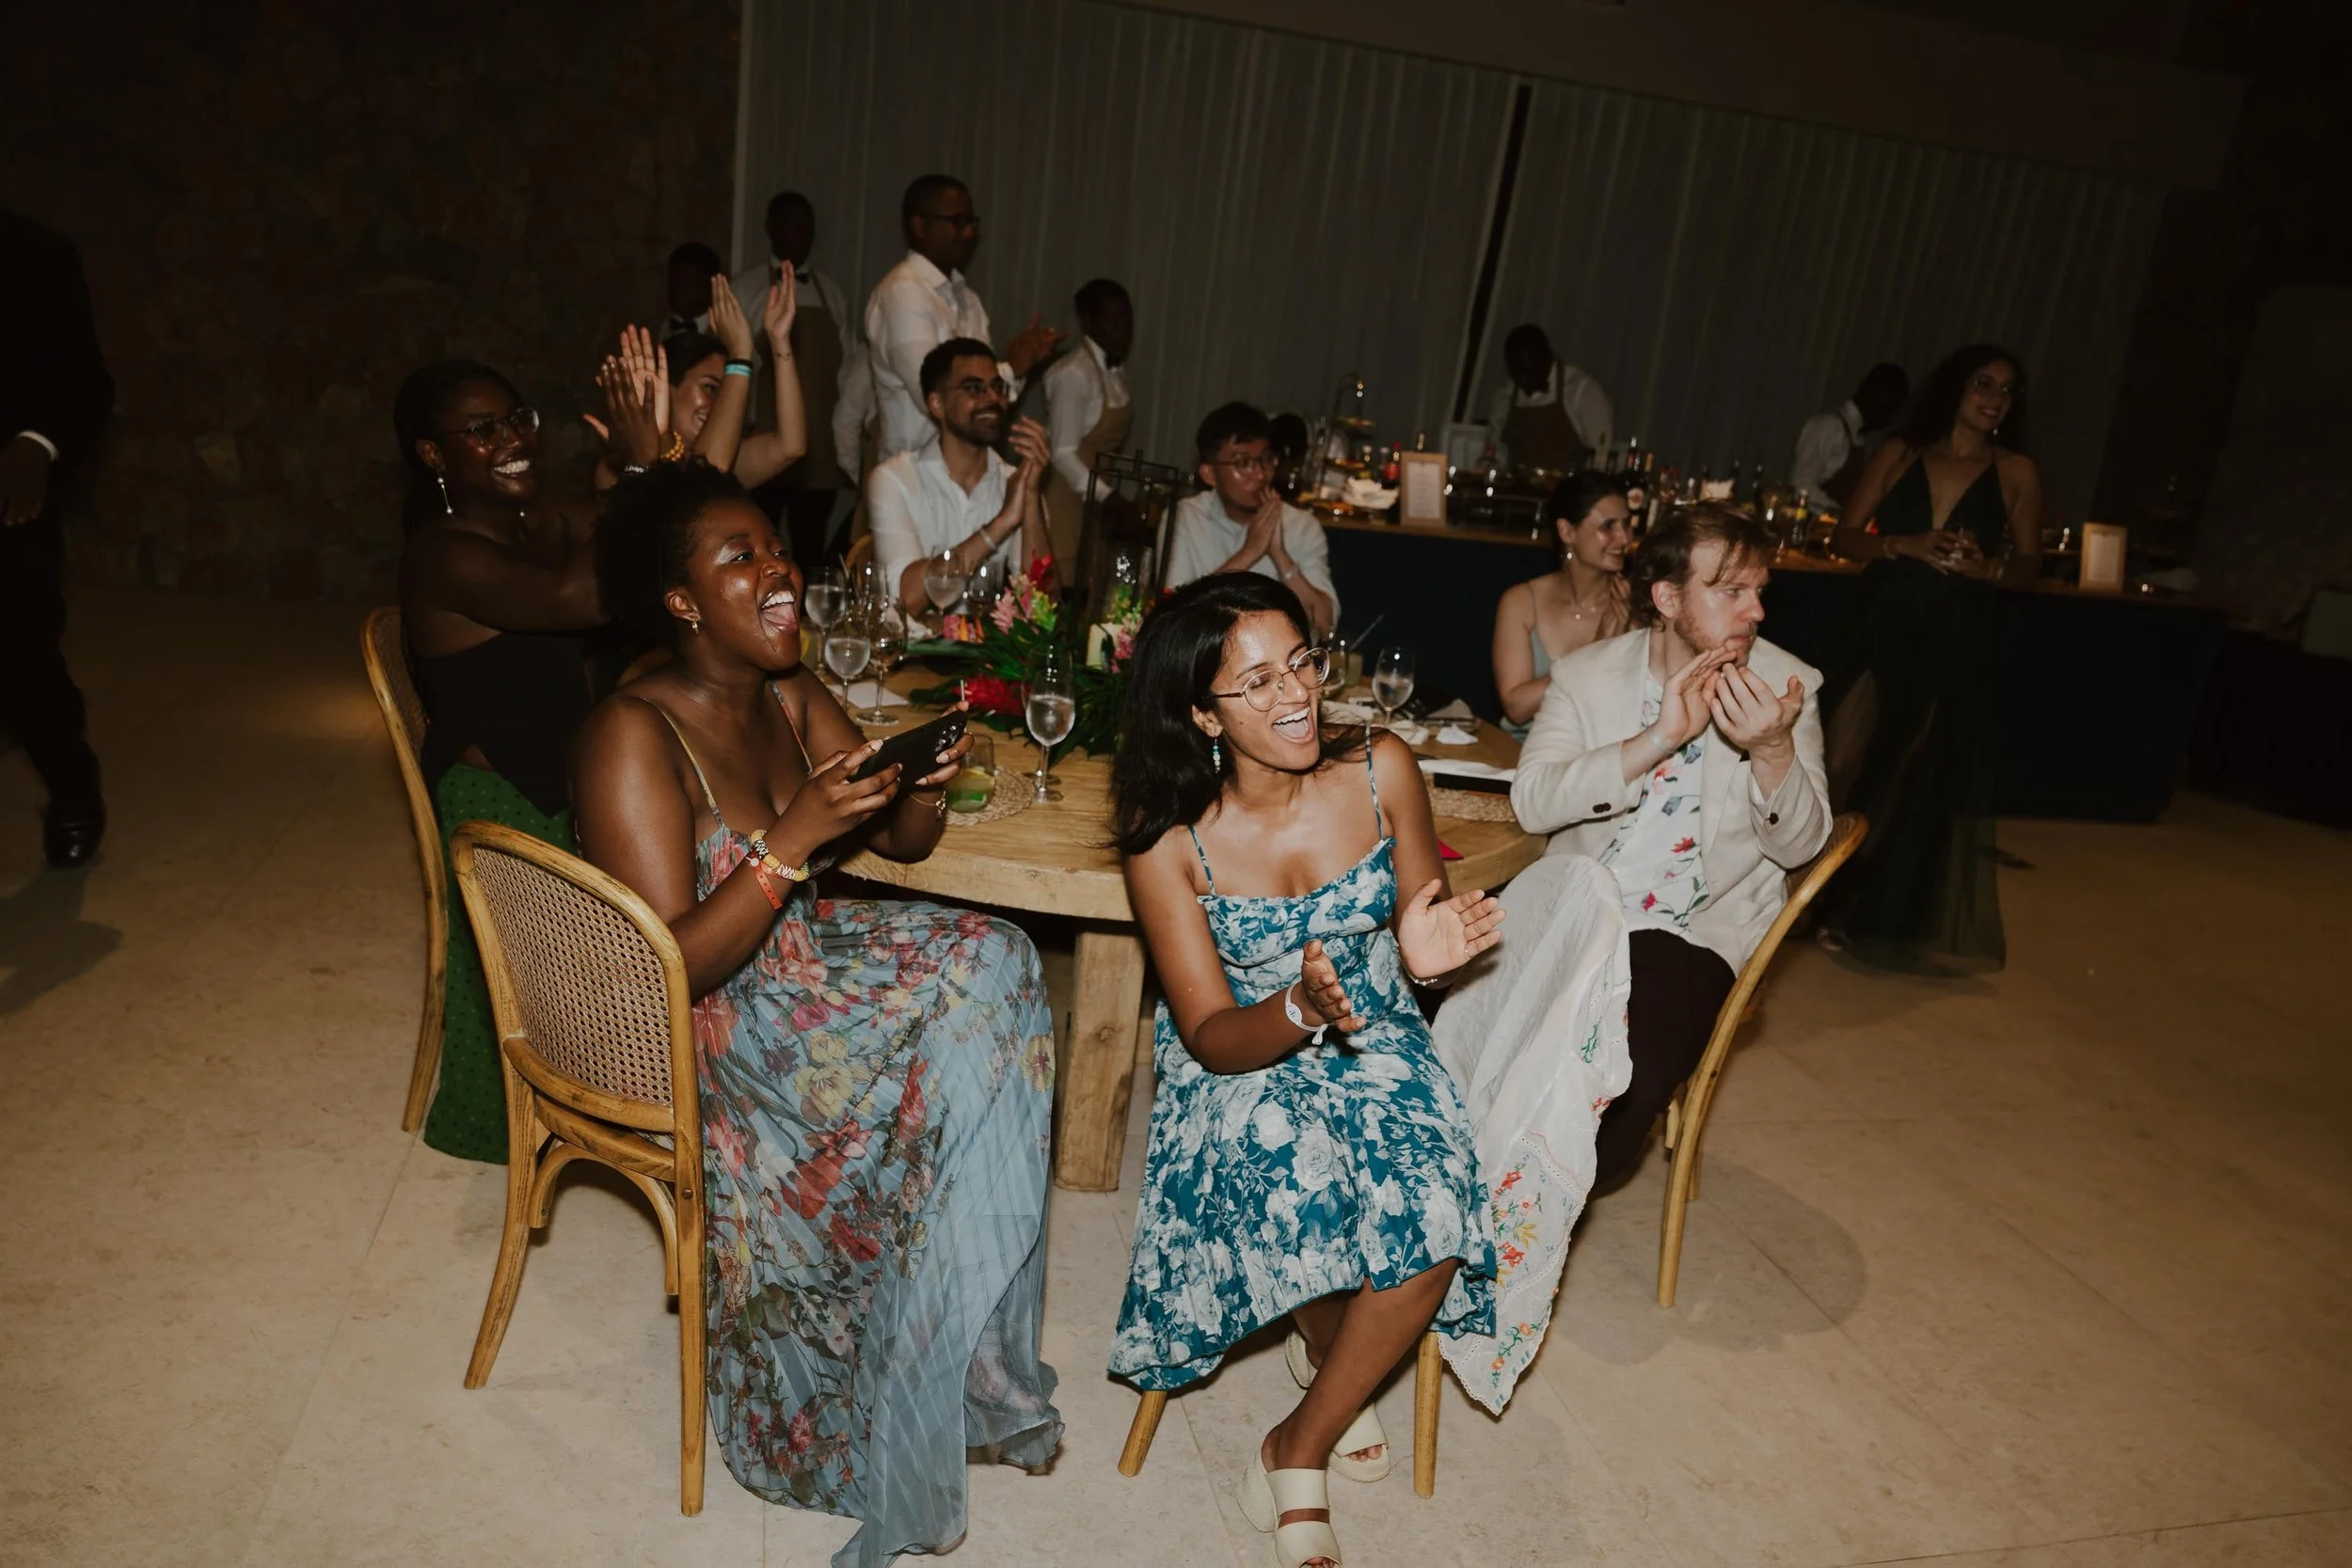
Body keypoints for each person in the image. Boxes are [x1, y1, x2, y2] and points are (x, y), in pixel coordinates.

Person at [573, 462, 1060, 1567]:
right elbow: (668, 970)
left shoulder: (791, 696)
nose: (778, 569)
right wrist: (789, 841)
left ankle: (952, 1344)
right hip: (727, 1023)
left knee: (998, 960)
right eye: (739, 555)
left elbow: (903, 844)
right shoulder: (631, 734)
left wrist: (923, 777)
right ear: (682, 600)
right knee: (972, 999)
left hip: (800, 965)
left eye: (776, 547)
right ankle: (879, 1374)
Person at [1108, 573, 1502, 1568]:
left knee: (1433, 1217)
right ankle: (1333, 1352)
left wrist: (1430, 944)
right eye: (1254, 682)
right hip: (1243, 1056)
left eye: (1301, 663)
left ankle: (1297, 1441)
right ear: (1200, 711)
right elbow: (1204, 1027)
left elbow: (1421, 913)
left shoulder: (1382, 769)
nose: (1294, 695)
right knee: (1299, 1180)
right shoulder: (1170, 844)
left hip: (1376, 1035)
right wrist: (1296, 1007)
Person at [1511, 505, 1830, 1187]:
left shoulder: (1785, 684)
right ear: (1667, 597)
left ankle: (1537, 1197)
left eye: (1760, 591)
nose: (1757, 612)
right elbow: (1532, 800)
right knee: (1438, 1008)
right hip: (1579, 903)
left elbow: (1804, 844)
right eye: (1732, 590)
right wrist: (1653, 741)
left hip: (1692, 930)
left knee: (1621, 1085)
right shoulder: (1586, 676)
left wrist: (1774, 749)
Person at [395, 359, 606, 1164]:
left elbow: (620, 531)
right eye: (482, 430)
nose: (511, 439)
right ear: (433, 455)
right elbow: (579, 600)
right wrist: (645, 467)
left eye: (516, 419)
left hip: (559, 770)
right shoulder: (442, 554)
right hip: (495, 799)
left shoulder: (529, 519)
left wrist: (645, 467)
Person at [1820, 344, 2042, 974]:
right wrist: (1901, 543)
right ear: (1955, 387)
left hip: (1953, 629)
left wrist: (1990, 565)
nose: (1995, 397)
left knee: (1904, 770)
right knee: (1840, 756)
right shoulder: (1900, 453)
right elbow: (1841, 534)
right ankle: (1799, 893)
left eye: (2007, 389)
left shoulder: (2017, 471)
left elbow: (2029, 567)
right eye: (1983, 382)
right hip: (1881, 617)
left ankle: (1858, 908)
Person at [1, 211, 113, 868]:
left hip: (6, 496)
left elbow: (84, 381)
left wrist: (34, 444)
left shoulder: (33, 252)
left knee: (21, 661)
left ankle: (73, 787)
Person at [864, 175, 1059, 462]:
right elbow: (935, 397)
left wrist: (1013, 371)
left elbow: (986, 406)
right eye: (957, 222)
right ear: (919, 226)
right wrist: (1011, 369)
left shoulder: (968, 299)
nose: (968, 233)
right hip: (915, 481)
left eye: (971, 223)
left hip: (966, 476)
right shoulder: (902, 292)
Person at [866, 339, 1057, 623]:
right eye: (974, 388)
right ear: (937, 404)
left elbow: (1045, 610)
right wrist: (1001, 524)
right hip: (912, 661)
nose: (992, 398)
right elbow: (905, 600)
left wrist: (1030, 495)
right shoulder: (895, 479)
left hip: (986, 658)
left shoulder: (1015, 482)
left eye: (997, 387)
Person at [729, 191, 859, 563]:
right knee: (756, 548)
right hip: (763, 447)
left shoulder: (831, 292)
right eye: (792, 226)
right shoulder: (746, 289)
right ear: (771, 229)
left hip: (817, 452)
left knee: (811, 553)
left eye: (807, 228)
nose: (800, 236)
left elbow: (847, 370)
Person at [1164, 402, 1339, 634]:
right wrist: (1250, 552)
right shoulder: (1185, 517)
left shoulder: (1302, 526)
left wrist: (1281, 557)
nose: (1260, 474)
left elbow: (1325, 625)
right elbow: (1172, 620)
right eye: (1243, 463)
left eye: (1266, 459)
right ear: (1209, 474)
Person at [1490, 470, 1634, 735]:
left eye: (1627, 524)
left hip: (1594, 757)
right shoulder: (1521, 602)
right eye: (1608, 527)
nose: (1624, 539)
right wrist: (1594, 653)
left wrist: (1623, 641)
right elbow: (1517, 707)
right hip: (1519, 756)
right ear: (1567, 531)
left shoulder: (1633, 609)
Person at [1041, 277, 1134, 567]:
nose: (1123, 328)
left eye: (1127, 318)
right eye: (1113, 319)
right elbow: (1062, 453)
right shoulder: (1073, 374)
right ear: (1087, 321)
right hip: (1065, 497)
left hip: (1094, 500)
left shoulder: (1115, 370)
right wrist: (1109, 498)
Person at [1486, 325, 1613, 474]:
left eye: (1528, 370)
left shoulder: (1581, 390)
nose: (1522, 378)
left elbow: (1600, 455)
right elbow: (1497, 452)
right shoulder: (1505, 395)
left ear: (1548, 358)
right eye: (1516, 371)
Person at [1789, 362, 1909, 509]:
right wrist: (1838, 514)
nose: (1889, 419)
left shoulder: (1857, 437)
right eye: (1891, 409)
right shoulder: (1830, 426)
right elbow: (1801, 485)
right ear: (1880, 398)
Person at [660, 241, 724, 337]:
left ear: (713, 286)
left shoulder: (725, 334)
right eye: (675, 282)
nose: (680, 291)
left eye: (690, 283)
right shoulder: (664, 328)